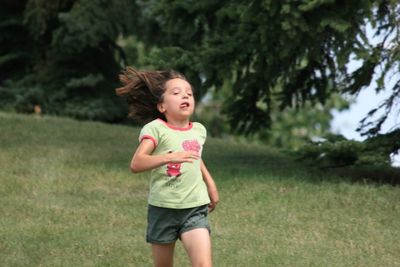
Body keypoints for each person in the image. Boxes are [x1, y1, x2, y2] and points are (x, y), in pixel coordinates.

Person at [116, 67, 219, 267]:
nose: (185, 96)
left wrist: (210, 184)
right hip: (163, 209)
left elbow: (196, 158)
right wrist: (169, 157)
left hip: (194, 208)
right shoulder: (156, 129)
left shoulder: (198, 130)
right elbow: (136, 163)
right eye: (176, 93)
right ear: (162, 106)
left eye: (189, 93)